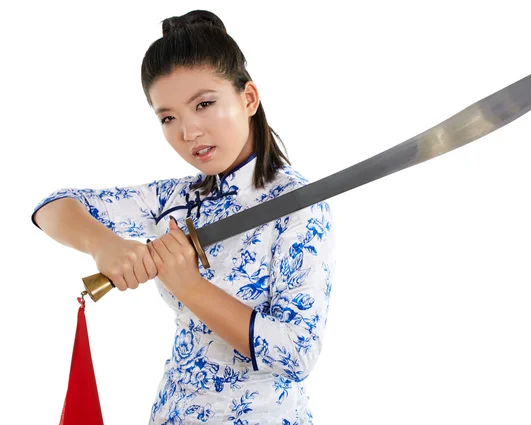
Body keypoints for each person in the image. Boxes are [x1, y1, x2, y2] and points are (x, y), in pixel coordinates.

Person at [31, 10, 336, 425]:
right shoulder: (173, 199)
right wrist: (103, 244)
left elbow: (297, 353)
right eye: (168, 117)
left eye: (205, 104)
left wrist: (189, 286)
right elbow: (52, 206)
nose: (188, 132)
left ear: (248, 98)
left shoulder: (300, 204)